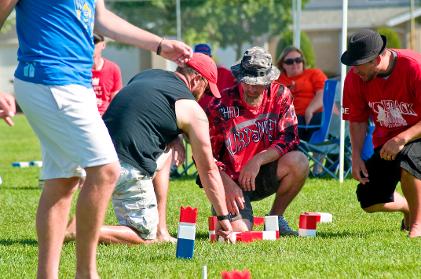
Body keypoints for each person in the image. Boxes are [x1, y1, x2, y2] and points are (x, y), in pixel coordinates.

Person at [1, 0, 192, 278]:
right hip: (49, 76)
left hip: (75, 83)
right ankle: (87, 273)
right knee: (105, 170)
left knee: (63, 181)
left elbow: (100, 18)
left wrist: (159, 45)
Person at [65, 53, 235, 245]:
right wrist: (223, 218)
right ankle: (79, 228)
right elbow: (208, 170)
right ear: (196, 80)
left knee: (166, 152)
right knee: (145, 236)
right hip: (125, 166)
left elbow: (143, 112)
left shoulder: (146, 75)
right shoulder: (191, 108)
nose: (204, 96)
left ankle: (162, 230)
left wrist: (174, 137)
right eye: (207, 89)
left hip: (91, 156)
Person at [202, 47, 309, 235]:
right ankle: (229, 214)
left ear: (269, 80)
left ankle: (275, 219)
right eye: (246, 82)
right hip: (229, 180)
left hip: (263, 172)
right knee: (240, 232)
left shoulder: (280, 95)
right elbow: (204, 155)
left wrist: (258, 160)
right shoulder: (220, 104)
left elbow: (290, 138)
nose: (251, 88)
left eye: (257, 84)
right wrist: (226, 184)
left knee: (299, 161)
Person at [341, 29, 421, 238]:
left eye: (359, 64)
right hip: (387, 143)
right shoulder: (355, 77)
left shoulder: (415, 67)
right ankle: (408, 208)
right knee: (369, 199)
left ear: (376, 59)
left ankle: (417, 225)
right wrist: (356, 156)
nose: (354, 70)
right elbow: (357, 119)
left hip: (416, 136)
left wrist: (402, 139)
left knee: (408, 160)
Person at [276, 46, 327, 141]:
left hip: (317, 115)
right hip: (292, 119)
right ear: (282, 64)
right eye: (289, 61)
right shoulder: (278, 81)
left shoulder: (314, 73)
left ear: (303, 61)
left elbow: (324, 93)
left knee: (320, 120)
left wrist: (309, 110)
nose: (294, 63)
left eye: (298, 60)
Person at [193, 43, 237, 109]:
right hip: (196, 114)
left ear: (211, 58)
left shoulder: (224, 73)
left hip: (218, 115)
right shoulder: (189, 76)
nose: (202, 60)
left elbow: (239, 87)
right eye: (199, 56)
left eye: (205, 56)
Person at [92, 33, 123, 116]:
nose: (91, 45)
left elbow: (116, 100)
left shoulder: (113, 69)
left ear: (103, 45)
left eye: (95, 42)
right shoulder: (79, 69)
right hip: (84, 115)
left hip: (105, 116)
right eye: (88, 41)